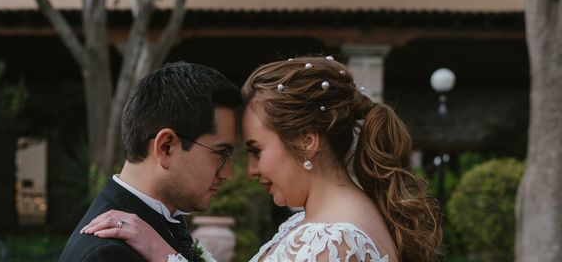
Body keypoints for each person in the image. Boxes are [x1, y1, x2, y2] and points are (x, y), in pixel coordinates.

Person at [82, 56, 442, 262]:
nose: (248, 170)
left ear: (306, 142)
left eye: (255, 150)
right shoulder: (319, 222)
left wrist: (166, 256)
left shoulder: (335, 240)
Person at [59, 61, 242, 262]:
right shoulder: (107, 254)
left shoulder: (159, 223)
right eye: (221, 153)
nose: (227, 173)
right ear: (166, 147)